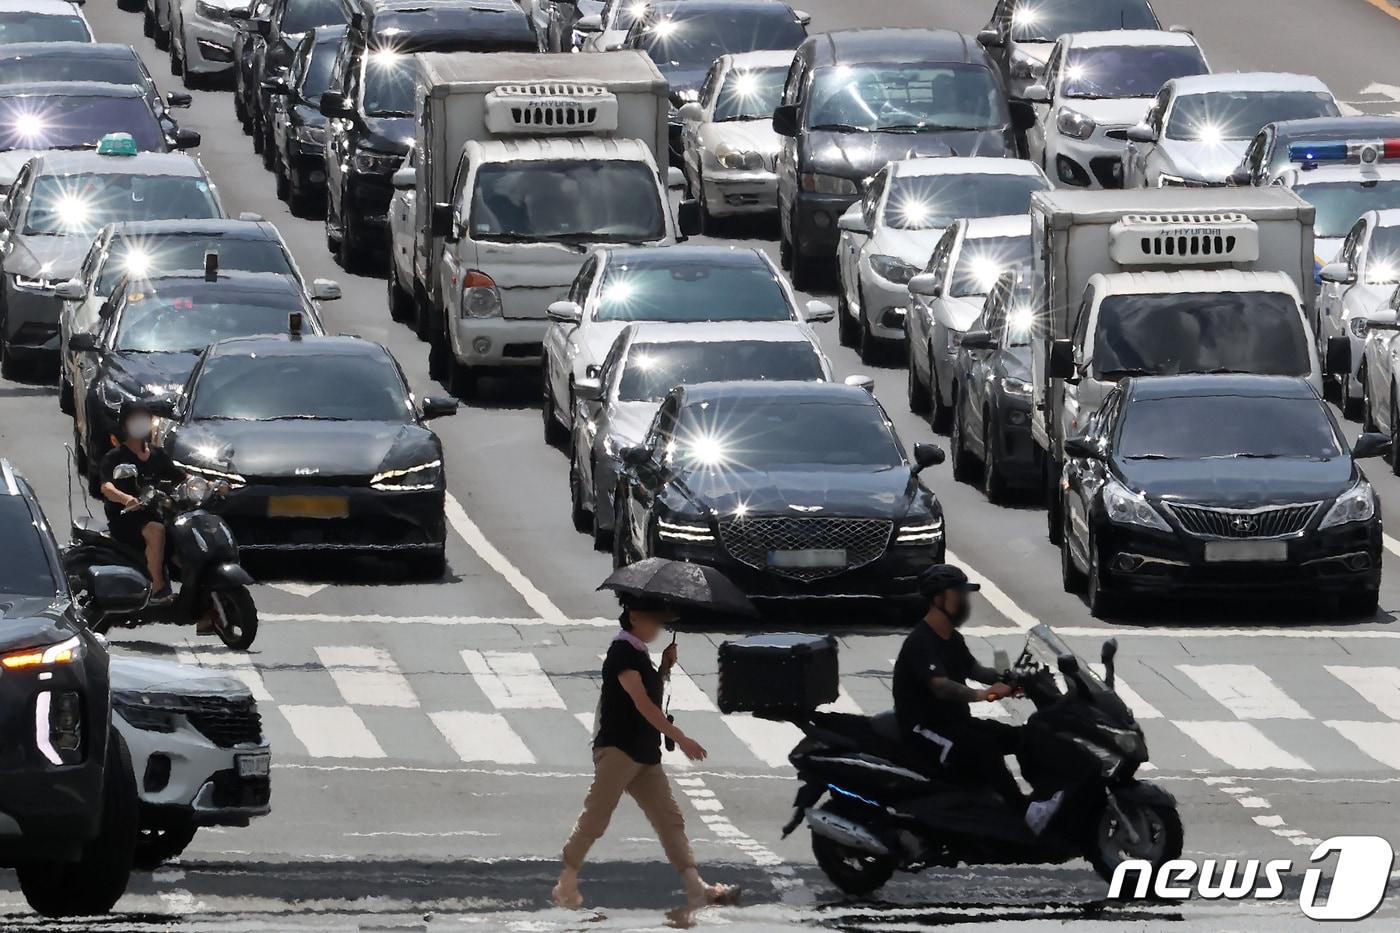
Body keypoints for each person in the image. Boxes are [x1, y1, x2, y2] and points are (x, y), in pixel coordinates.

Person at [554, 596, 738, 911]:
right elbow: (642, 703)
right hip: (618, 750)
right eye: (655, 621)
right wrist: (681, 738)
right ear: (636, 619)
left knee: (670, 820)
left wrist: (665, 666)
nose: (658, 628)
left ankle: (697, 889)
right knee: (596, 816)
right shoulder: (622, 653)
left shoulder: (640, 653)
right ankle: (566, 881)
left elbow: (651, 693)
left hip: (644, 752)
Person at [892, 564, 1062, 833]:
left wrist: (1015, 680)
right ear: (939, 599)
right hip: (925, 730)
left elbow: (974, 669)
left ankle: (1045, 793)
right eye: (959, 594)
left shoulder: (951, 637)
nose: (965, 601)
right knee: (985, 750)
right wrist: (986, 694)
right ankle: (1024, 813)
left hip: (955, 724)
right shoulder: (921, 642)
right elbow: (941, 686)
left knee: (1023, 737)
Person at [99, 400, 184, 603]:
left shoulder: (157, 454)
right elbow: (106, 487)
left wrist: (205, 485)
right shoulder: (115, 457)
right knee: (156, 530)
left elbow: (180, 477)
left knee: (184, 532)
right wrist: (126, 499)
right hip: (127, 518)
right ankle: (157, 588)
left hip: (157, 512)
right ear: (125, 424)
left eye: (145, 419)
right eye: (136, 420)